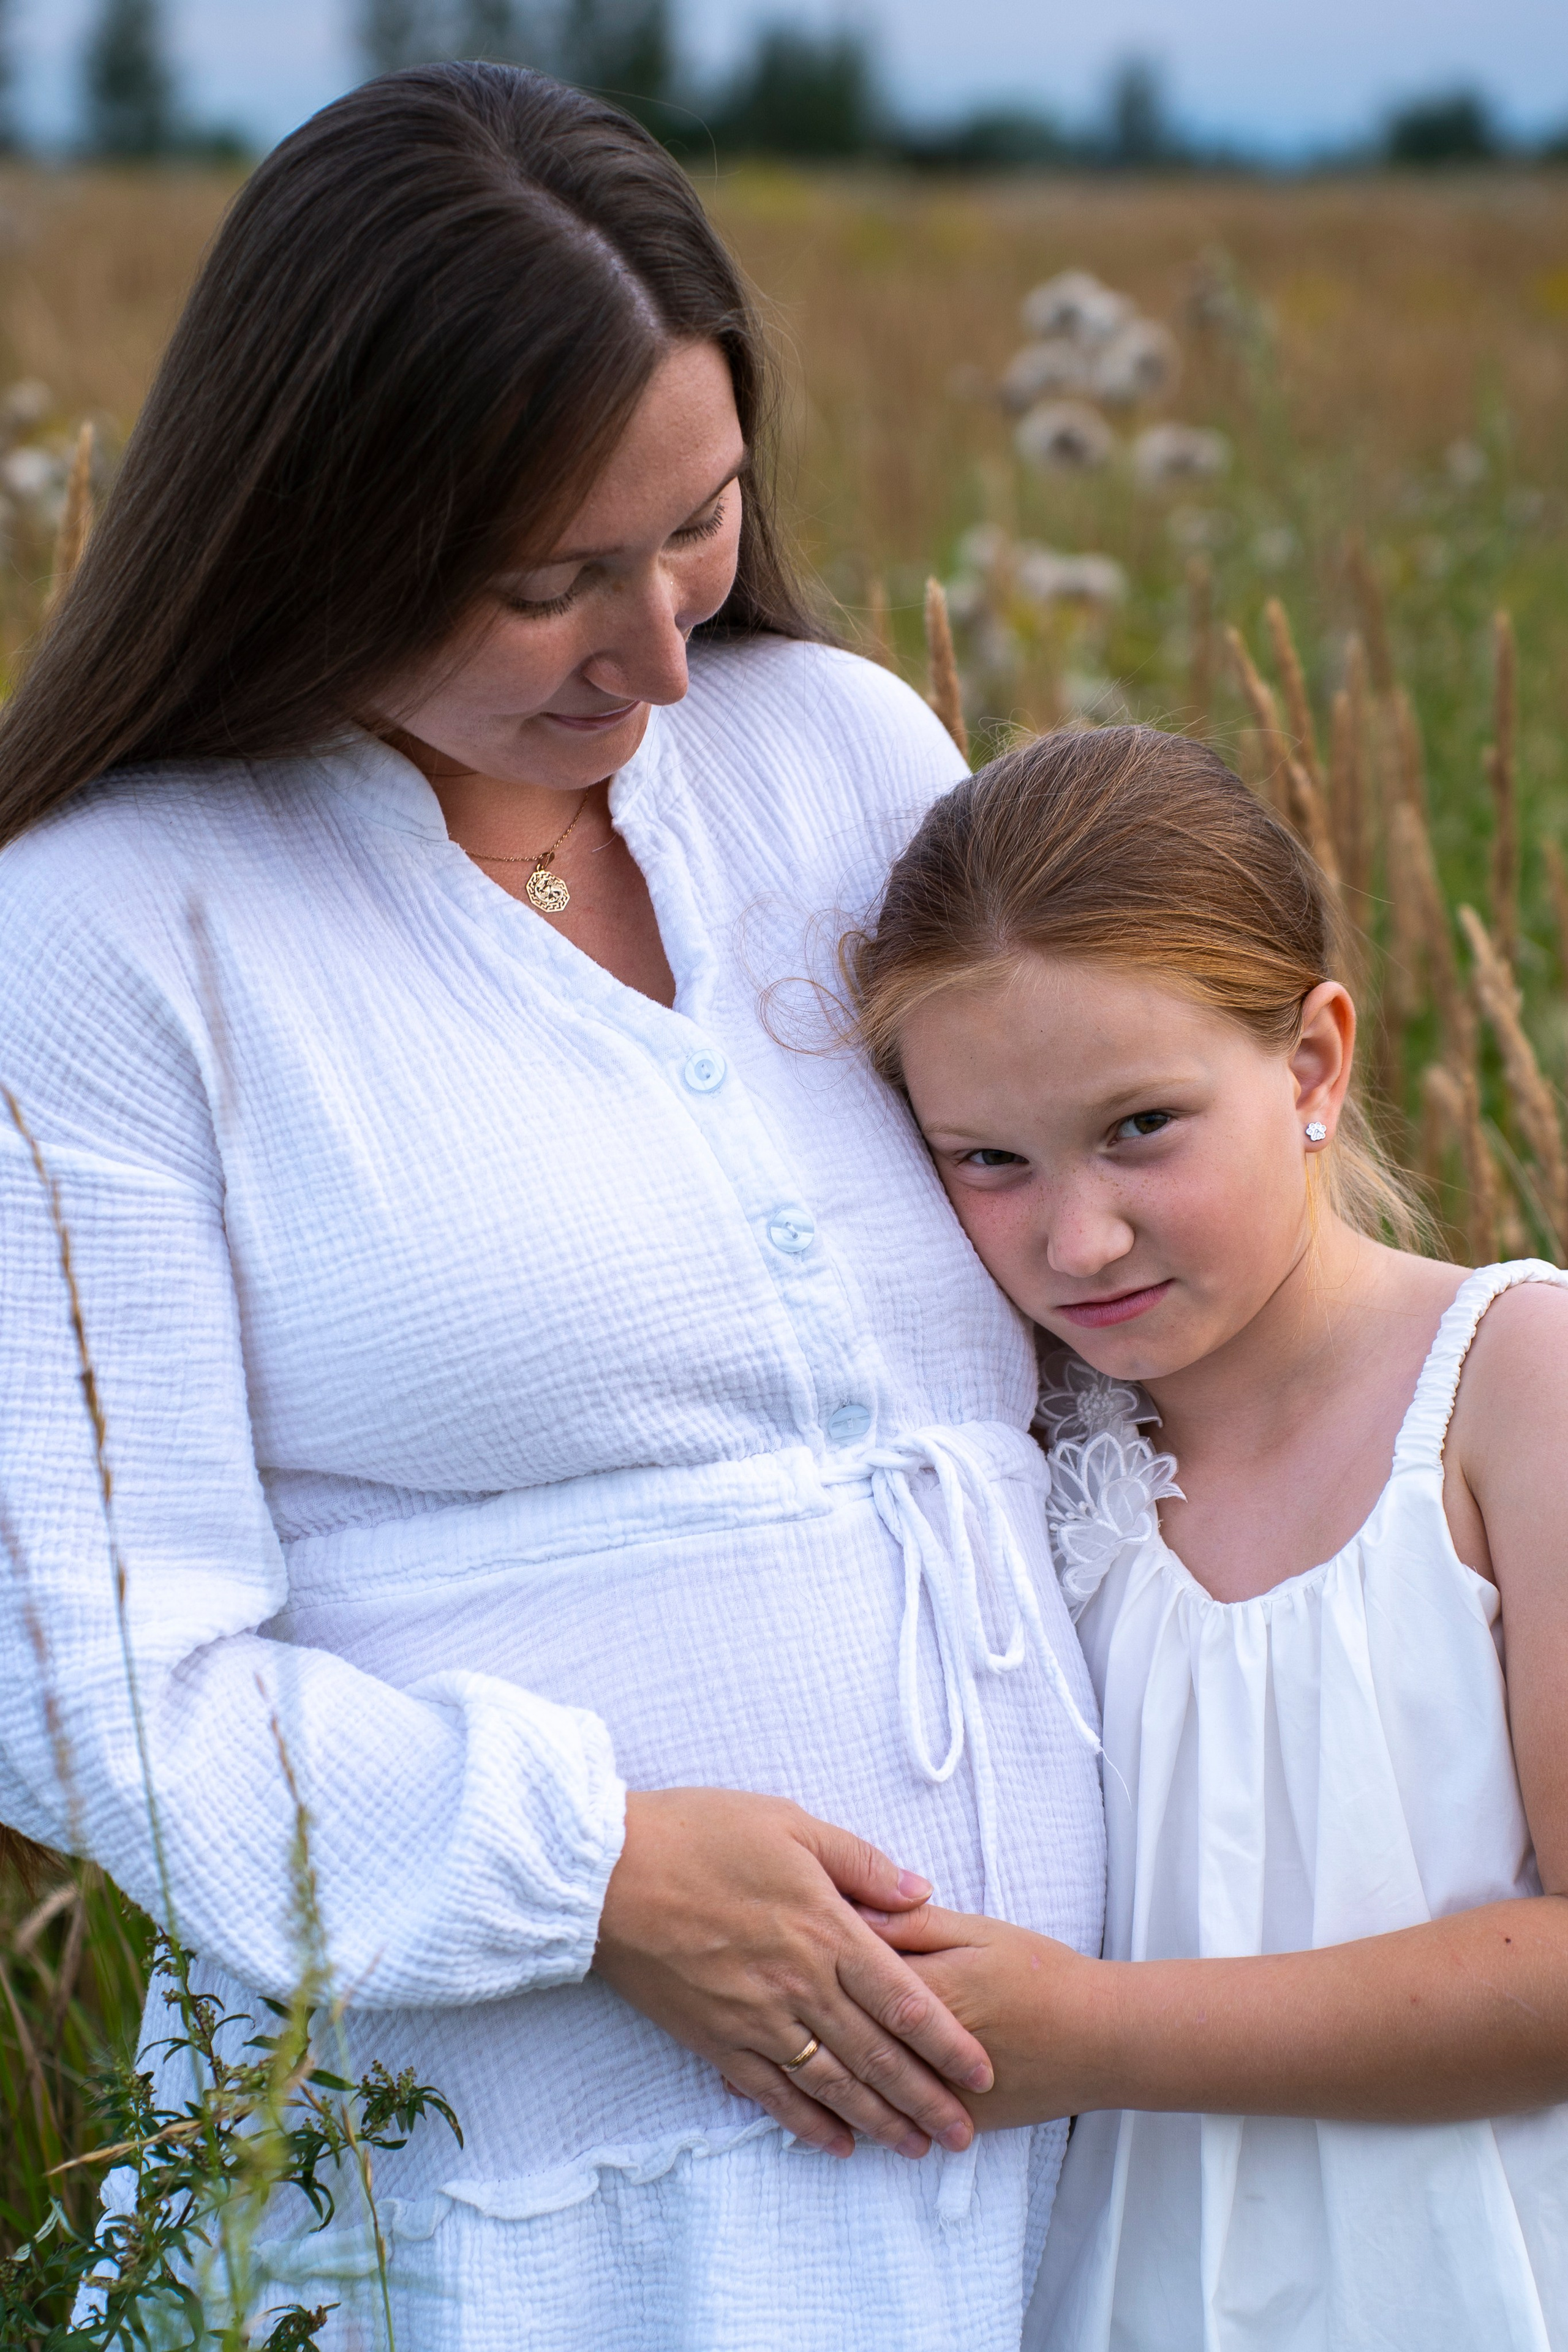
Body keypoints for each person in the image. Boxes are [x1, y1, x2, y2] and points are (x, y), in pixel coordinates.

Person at [0, 62, 1106, 2352]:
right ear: (315, 534)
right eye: (545, 585)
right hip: (530, 2205)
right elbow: (106, 1685)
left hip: (1063, 2131)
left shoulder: (850, 752)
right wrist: (600, 1878)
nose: (664, 656)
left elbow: (1111, 1327)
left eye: (697, 524)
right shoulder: (104, 940)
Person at [845, 725, 1568, 2351]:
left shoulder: (1512, 1388)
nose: (1077, 1235)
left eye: (1143, 1128)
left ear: (1313, 1063)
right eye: (989, 1161)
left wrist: (1097, 2033)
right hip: (1115, 2294)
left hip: (1472, 2277)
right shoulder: (1016, 1463)